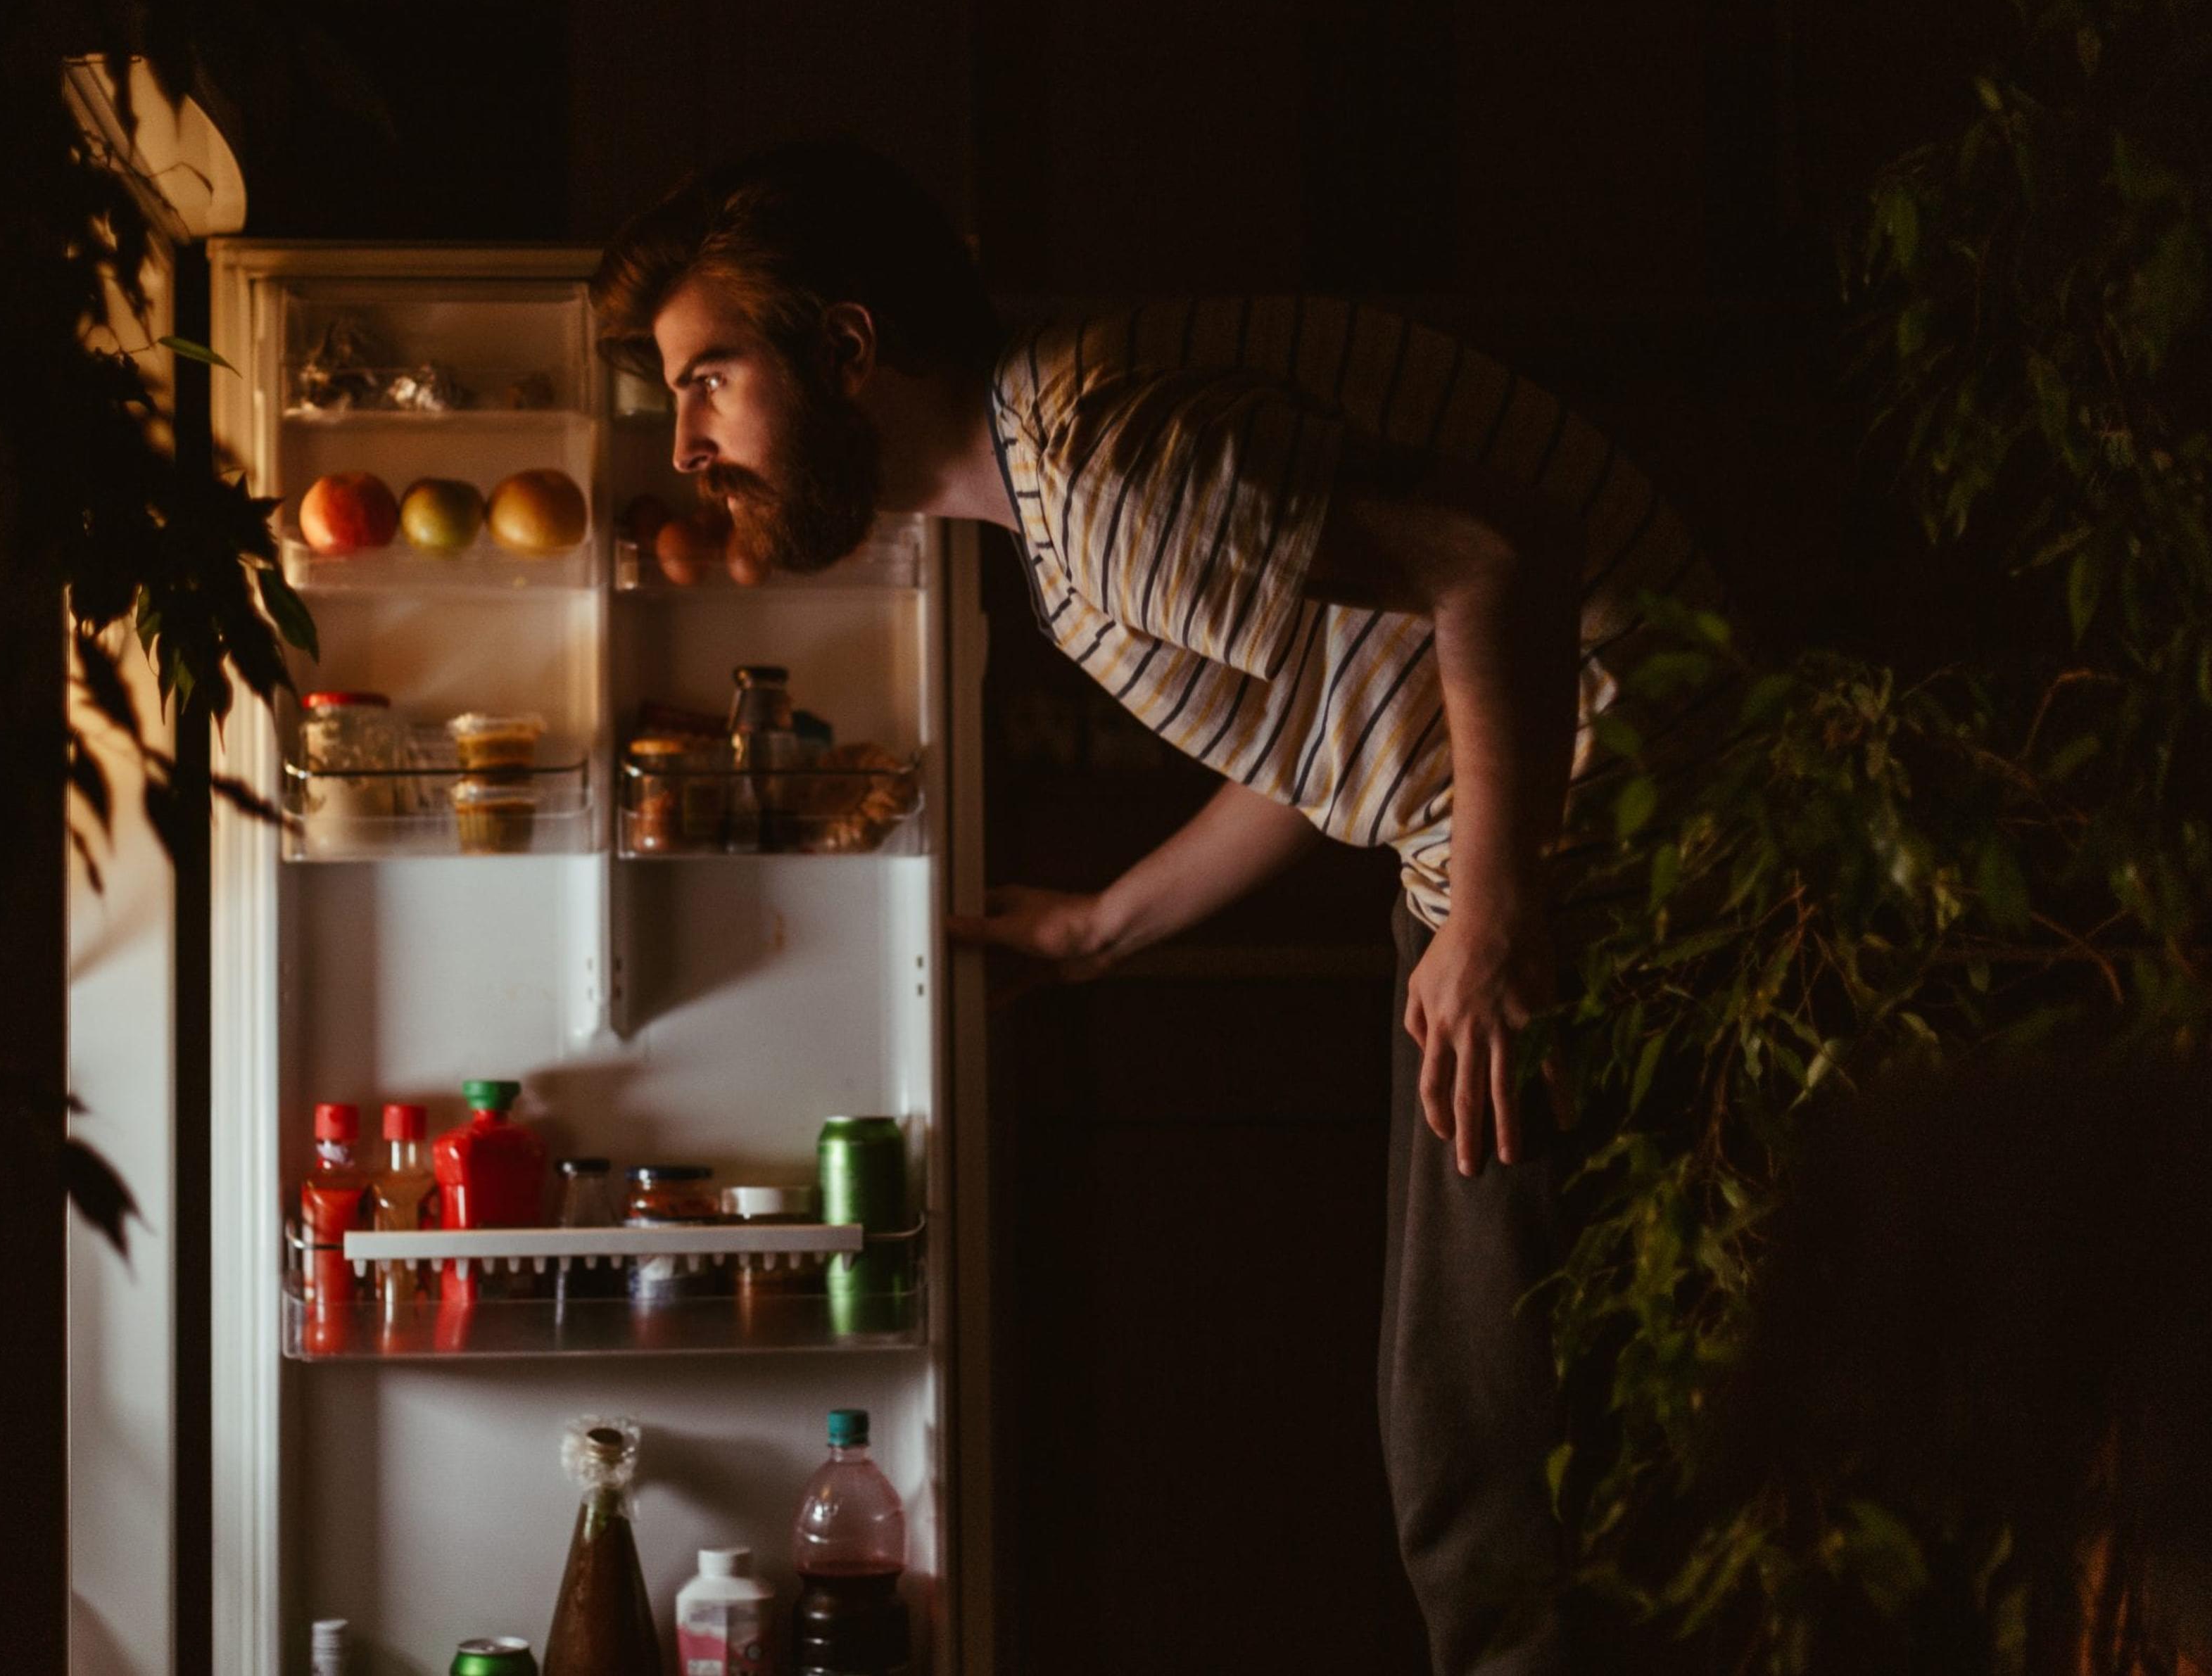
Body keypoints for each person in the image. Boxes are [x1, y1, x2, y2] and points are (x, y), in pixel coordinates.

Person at [593, 141, 1721, 1675]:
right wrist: (1101, 927)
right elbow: (1335, 712)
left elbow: (1490, 562)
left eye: (711, 377)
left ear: (850, 350)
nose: (689, 443)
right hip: (1543, 853)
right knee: (1489, 1438)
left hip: (1607, 855)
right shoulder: (1071, 472)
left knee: (1487, 1471)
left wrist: (1501, 915)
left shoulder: (1108, 478)